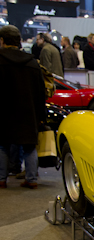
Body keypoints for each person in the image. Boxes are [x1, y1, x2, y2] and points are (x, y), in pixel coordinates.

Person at [0, 25, 47, 189]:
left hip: (4, 112)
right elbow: (42, 92)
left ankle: (1, 179)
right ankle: (31, 179)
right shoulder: (32, 63)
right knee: (29, 146)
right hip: (28, 113)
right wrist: (42, 115)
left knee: (3, 145)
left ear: (2, 40)